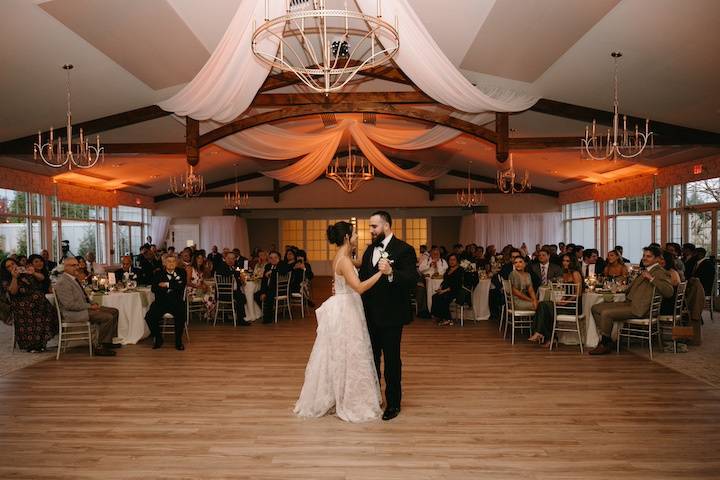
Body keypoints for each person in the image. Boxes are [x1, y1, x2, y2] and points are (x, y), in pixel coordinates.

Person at [294, 221, 384, 422]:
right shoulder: (343, 260)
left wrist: (372, 251)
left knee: (340, 353)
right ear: (346, 238)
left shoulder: (342, 257)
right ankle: (349, 398)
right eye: (354, 235)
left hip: (344, 304)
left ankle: (338, 393)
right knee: (349, 352)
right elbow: (359, 287)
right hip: (346, 309)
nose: (357, 237)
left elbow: (358, 263)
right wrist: (381, 273)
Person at [358, 211, 417, 421]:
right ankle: (374, 398)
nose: (371, 231)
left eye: (374, 227)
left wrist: (392, 272)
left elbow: (411, 279)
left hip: (392, 316)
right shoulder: (370, 250)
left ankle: (393, 403)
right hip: (369, 315)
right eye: (370, 227)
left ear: (386, 225)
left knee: (392, 361)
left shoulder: (404, 250)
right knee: (371, 358)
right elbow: (362, 278)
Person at [590, 245, 674, 355]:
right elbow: (631, 288)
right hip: (629, 303)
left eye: (648, 256)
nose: (644, 258)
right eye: (644, 255)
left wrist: (651, 278)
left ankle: (605, 343)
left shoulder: (659, 272)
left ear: (657, 259)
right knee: (595, 308)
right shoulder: (646, 270)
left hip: (640, 308)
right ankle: (609, 339)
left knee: (606, 313)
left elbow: (669, 292)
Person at [54, 257, 118, 356]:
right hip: (73, 313)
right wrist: (89, 307)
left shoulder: (73, 279)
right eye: (73, 265)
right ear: (65, 267)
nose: (77, 267)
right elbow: (69, 305)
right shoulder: (63, 282)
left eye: (77, 265)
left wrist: (92, 304)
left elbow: (83, 297)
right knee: (107, 317)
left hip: (83, 308)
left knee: (114, 311)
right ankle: (99, 346)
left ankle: (107, 342)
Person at [0, 257, 58, 353]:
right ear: (6, 270)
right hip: (20, 304)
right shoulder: (7, 279)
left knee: (44, 308)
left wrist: (33, 272)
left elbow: (42, 278)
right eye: (8, 266)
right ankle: (33, 344)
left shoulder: (25, 272)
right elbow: (13, 292)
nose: (12, 267)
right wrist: (15, 277)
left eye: (12, 264)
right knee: (35, 309)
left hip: (36, 301)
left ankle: (40, 342)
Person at [530, 254, 583, 345]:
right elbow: (567, 292)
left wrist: (566, 301)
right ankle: (547, 336)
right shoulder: (565, 274)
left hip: (574, 306)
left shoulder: (575, 273)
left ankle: (544, 335)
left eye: (567, 261)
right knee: (543, 305)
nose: (565, 263)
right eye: (564, 261)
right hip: (566, 304)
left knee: (546, 307)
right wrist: (563, 299)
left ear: (572, 262)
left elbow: (578, 293)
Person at [145, 254, 187, 350]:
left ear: (176, 263)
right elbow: (154, 289)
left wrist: (166, 284)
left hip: (176, 302)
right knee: (149, 317)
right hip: (161, 302)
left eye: (173, 261)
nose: (171, 263)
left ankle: (178, 341)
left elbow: (181, 286)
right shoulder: (158, 273)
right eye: (169, 261)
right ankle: (158, 338)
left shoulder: (182, 272)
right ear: (164, 263)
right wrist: (173, 286)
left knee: (181, 315)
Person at [215, 253, 251, 326]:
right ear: (225, 259)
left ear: (235, 260)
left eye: (233, 259)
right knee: (240, 297)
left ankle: (237, 317)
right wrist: (237, 272)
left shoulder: (233, 267)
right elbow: (225, 273)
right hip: (224, 293)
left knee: (242, 296)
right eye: (229, 258)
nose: (231, 260)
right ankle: (241, 320)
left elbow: (238, 274)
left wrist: (241, 279)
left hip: (232, 292)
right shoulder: (222, 266)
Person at [254, 251, 288, 324]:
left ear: (279, 258)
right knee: (256, 295)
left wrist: (272, 272)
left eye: (275, 257)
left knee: (269, 295)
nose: (273, 259)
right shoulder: (268, 266)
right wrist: (263, 292)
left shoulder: (282, 264)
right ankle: (269, 312)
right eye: (271, 258)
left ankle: (268, 318)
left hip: (280, 290)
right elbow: (264, 281)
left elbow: (283, 271)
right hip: (269, 289)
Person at [430, 253, 464, 326]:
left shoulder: (460, 270)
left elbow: (456, 285)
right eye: (450, 260)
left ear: (457, 260)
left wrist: (443, 291)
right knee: (435, 296)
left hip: (454, 290)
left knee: (443, 297)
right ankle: (439, 316)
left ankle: (448, 319)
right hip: (446, 289)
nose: (451, 261)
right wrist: (440, 288)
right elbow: (445, 280)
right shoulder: (448, 269)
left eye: (453, 260)